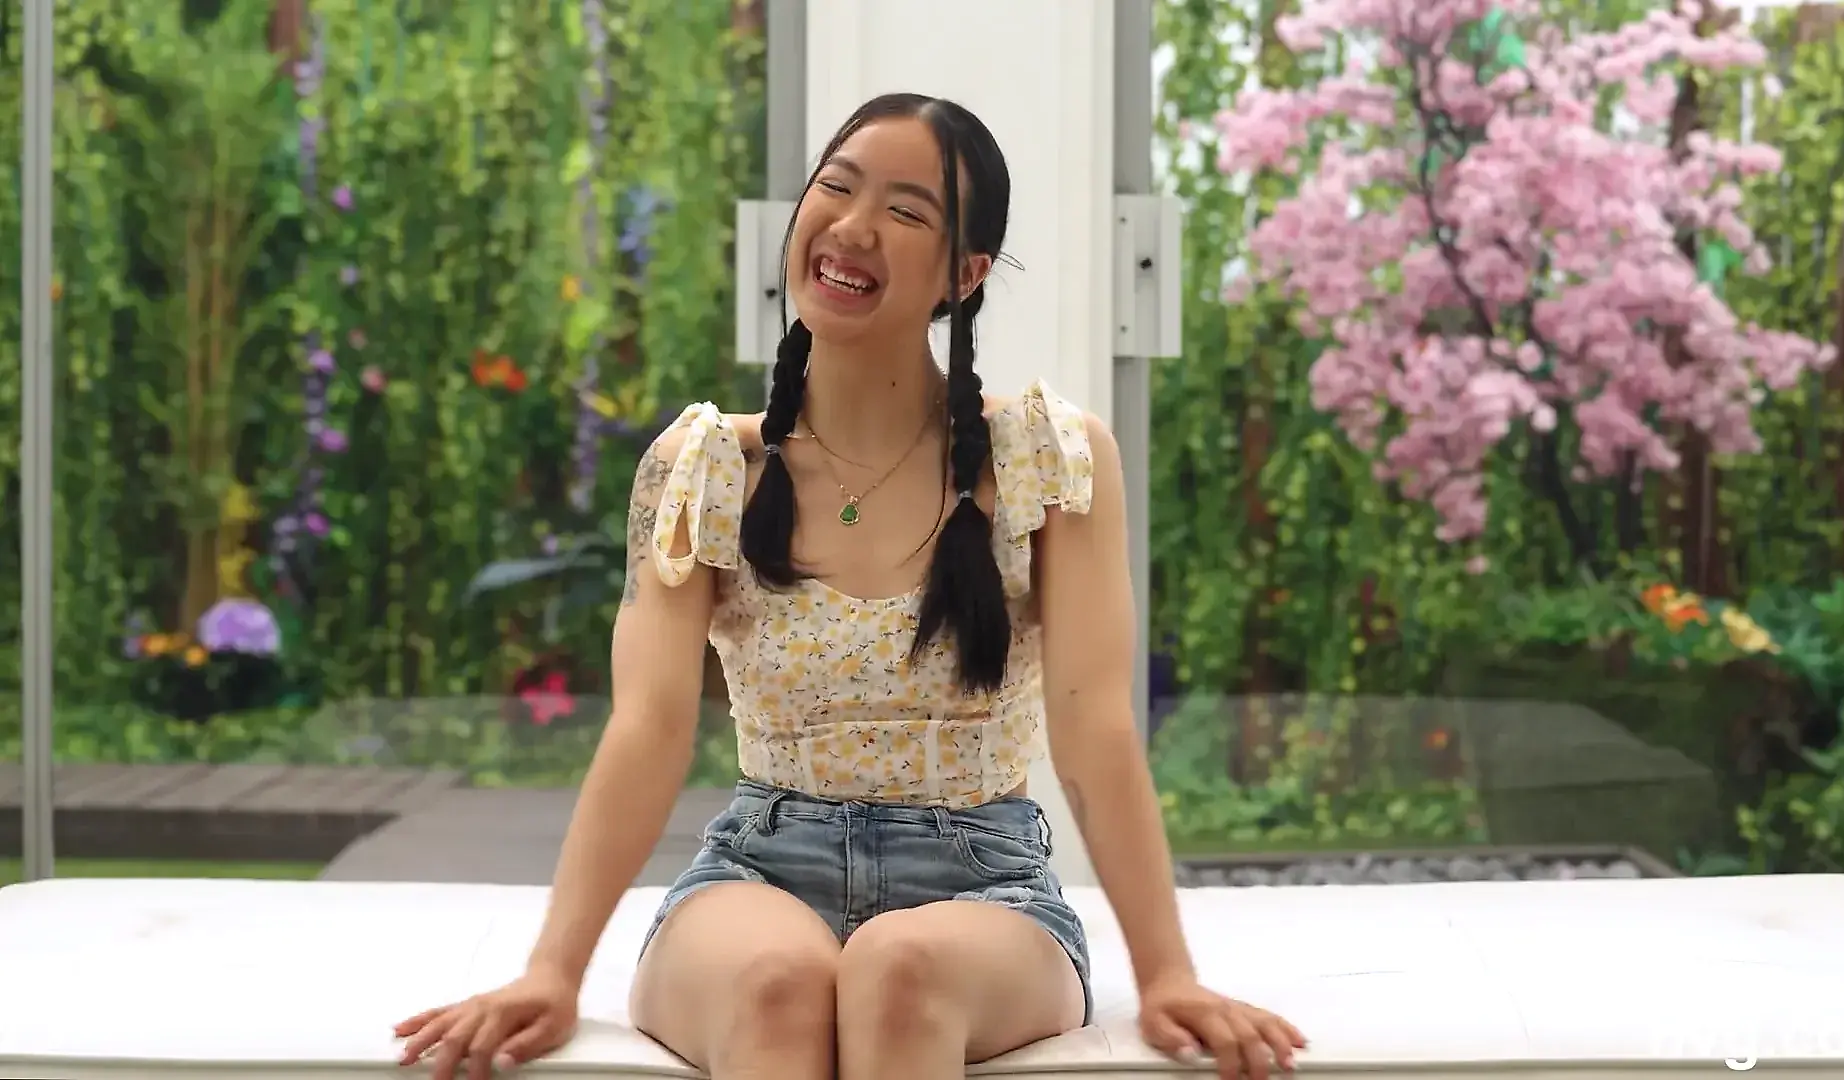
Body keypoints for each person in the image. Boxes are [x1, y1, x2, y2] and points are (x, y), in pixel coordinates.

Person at [392, 91, 1307, 1080]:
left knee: (897, 972)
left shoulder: (1047, 458)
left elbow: (1097, 729)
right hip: (758, 866)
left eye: (906, 210)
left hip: (986, 883)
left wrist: (1168, 975)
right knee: (777, 985)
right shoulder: (707, 466)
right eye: (836, 187)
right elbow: (647, 729)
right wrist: (551, 972)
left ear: (965, 273)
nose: (854, 227)